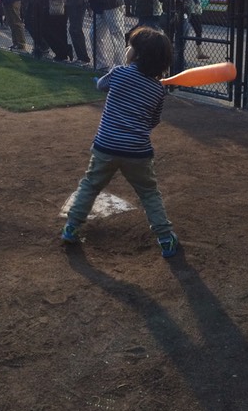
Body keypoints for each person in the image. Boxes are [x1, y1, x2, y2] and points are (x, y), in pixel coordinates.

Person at [61, 26, 179, 258]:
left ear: (137, 54)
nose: (128, 49)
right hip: (138, 152)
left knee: (90, 185)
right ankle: (165, 239)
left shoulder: (119, 73)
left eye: (132, 47)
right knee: (149, 194)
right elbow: (153, 122)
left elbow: (100, 85)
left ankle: (71, 228)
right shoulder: (158, 90)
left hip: (105, 146)